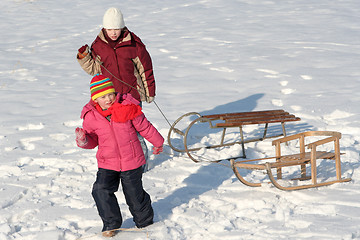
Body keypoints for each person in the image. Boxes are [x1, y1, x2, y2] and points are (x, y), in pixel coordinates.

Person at [75, 74, 164, 237]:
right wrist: (83, 140)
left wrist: (158, 142)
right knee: (100, 190)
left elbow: (145, 128)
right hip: (108, 162)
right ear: (95, 99)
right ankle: (111, 223)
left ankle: (145, 223)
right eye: (103, 96)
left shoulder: (127, 107)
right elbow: (92, 140)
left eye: (110, 94)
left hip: (132, 161)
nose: (108, 99)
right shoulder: (91, 116)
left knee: (134, 195)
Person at [76, 7, 157, 172]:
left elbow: (145, 69)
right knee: (119, 134)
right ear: (105, 28)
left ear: (122, 27)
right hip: (111, 99)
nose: (113, 33)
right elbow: (94, 69)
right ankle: (121, 163)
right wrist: (84, 58)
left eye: (117, 28)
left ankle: (141, 165)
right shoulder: (99, 46)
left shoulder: (134, 44)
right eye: (110, 29)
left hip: (132, 97)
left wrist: (149, 92)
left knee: (137, 132)